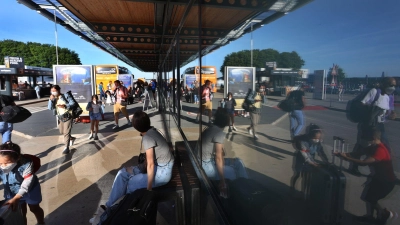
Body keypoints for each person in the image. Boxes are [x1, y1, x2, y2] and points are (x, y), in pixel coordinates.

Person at [104, 111, 174, 207]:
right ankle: (109, 206)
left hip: (162, 172)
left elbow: (150, 164)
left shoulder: (148, 138)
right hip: (160, 167)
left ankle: (118, 210)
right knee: (123, 173)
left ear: (136, 126)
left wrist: (149, 189)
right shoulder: (152, 131)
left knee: (130, 184)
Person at [335, 128, 397, 224]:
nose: (363, 141)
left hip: (386, 181)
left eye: (364, 138)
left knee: (370, 198)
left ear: (373, 138)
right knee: (369, 197)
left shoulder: (380, 150)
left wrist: (346, 158)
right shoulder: (372, 147)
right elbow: (356, 153)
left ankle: (385, 213)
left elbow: (364, 163)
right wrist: (342, 154)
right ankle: (372, 216)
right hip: (378, 179)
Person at [348, 77, 396, 176]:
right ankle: (354, 166)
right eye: (391, 85)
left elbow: (387, 111)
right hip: (368, 125)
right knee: (363, 147)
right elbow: (361, 104)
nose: (393, 87)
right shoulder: (374, 92)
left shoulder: (389, 96)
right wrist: (372, 112)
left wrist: (391, 114)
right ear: (383, 84)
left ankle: (386, 172)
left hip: (380, 125)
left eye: (395, 85)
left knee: (385, 148)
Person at [197, 108, 248, 198]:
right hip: (205, 166)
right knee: (236, 169)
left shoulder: (210, 128)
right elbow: (219, 158)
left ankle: (244, 186)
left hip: (200, 162)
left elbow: (221, 153)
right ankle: (245, 188)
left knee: (237, 161)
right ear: (226, 121)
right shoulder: (219, 133)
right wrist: (222, 181)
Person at [0, 142, 45, 225]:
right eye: (0, 163)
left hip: (30, 190)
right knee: (20, 212)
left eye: (6, 163)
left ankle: (41, 222)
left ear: (17, 158)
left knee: (34, 208)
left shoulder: (27, 164)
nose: (3, 166)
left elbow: (27, 182)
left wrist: (17, 197)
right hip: (12, 192)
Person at [290, 124, 329, 197]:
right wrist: (312, 163)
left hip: (311, 158)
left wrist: (326, 161)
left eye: (318, 138)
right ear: (310, 136)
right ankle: (292, 188)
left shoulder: (318, 143)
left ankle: (303, 192)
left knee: (306, 176)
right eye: (315, 138)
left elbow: (321, 152)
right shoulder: (302, 142)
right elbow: (305, 154)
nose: (317, 140)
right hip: (301, 159)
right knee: (298, 174)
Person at [47, 85, 77, 154]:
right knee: (62, 132)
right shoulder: (53, 98)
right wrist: (50, 100)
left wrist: (65, 106)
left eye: (54, 91)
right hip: (60, 117)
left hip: (68, 116)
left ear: (58, 90)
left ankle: (66, 147)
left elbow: (73, 103)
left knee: (66, 132)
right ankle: (72, 138)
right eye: (52, 91)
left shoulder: (65, 96)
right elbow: (50, 108)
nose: (53, 92)